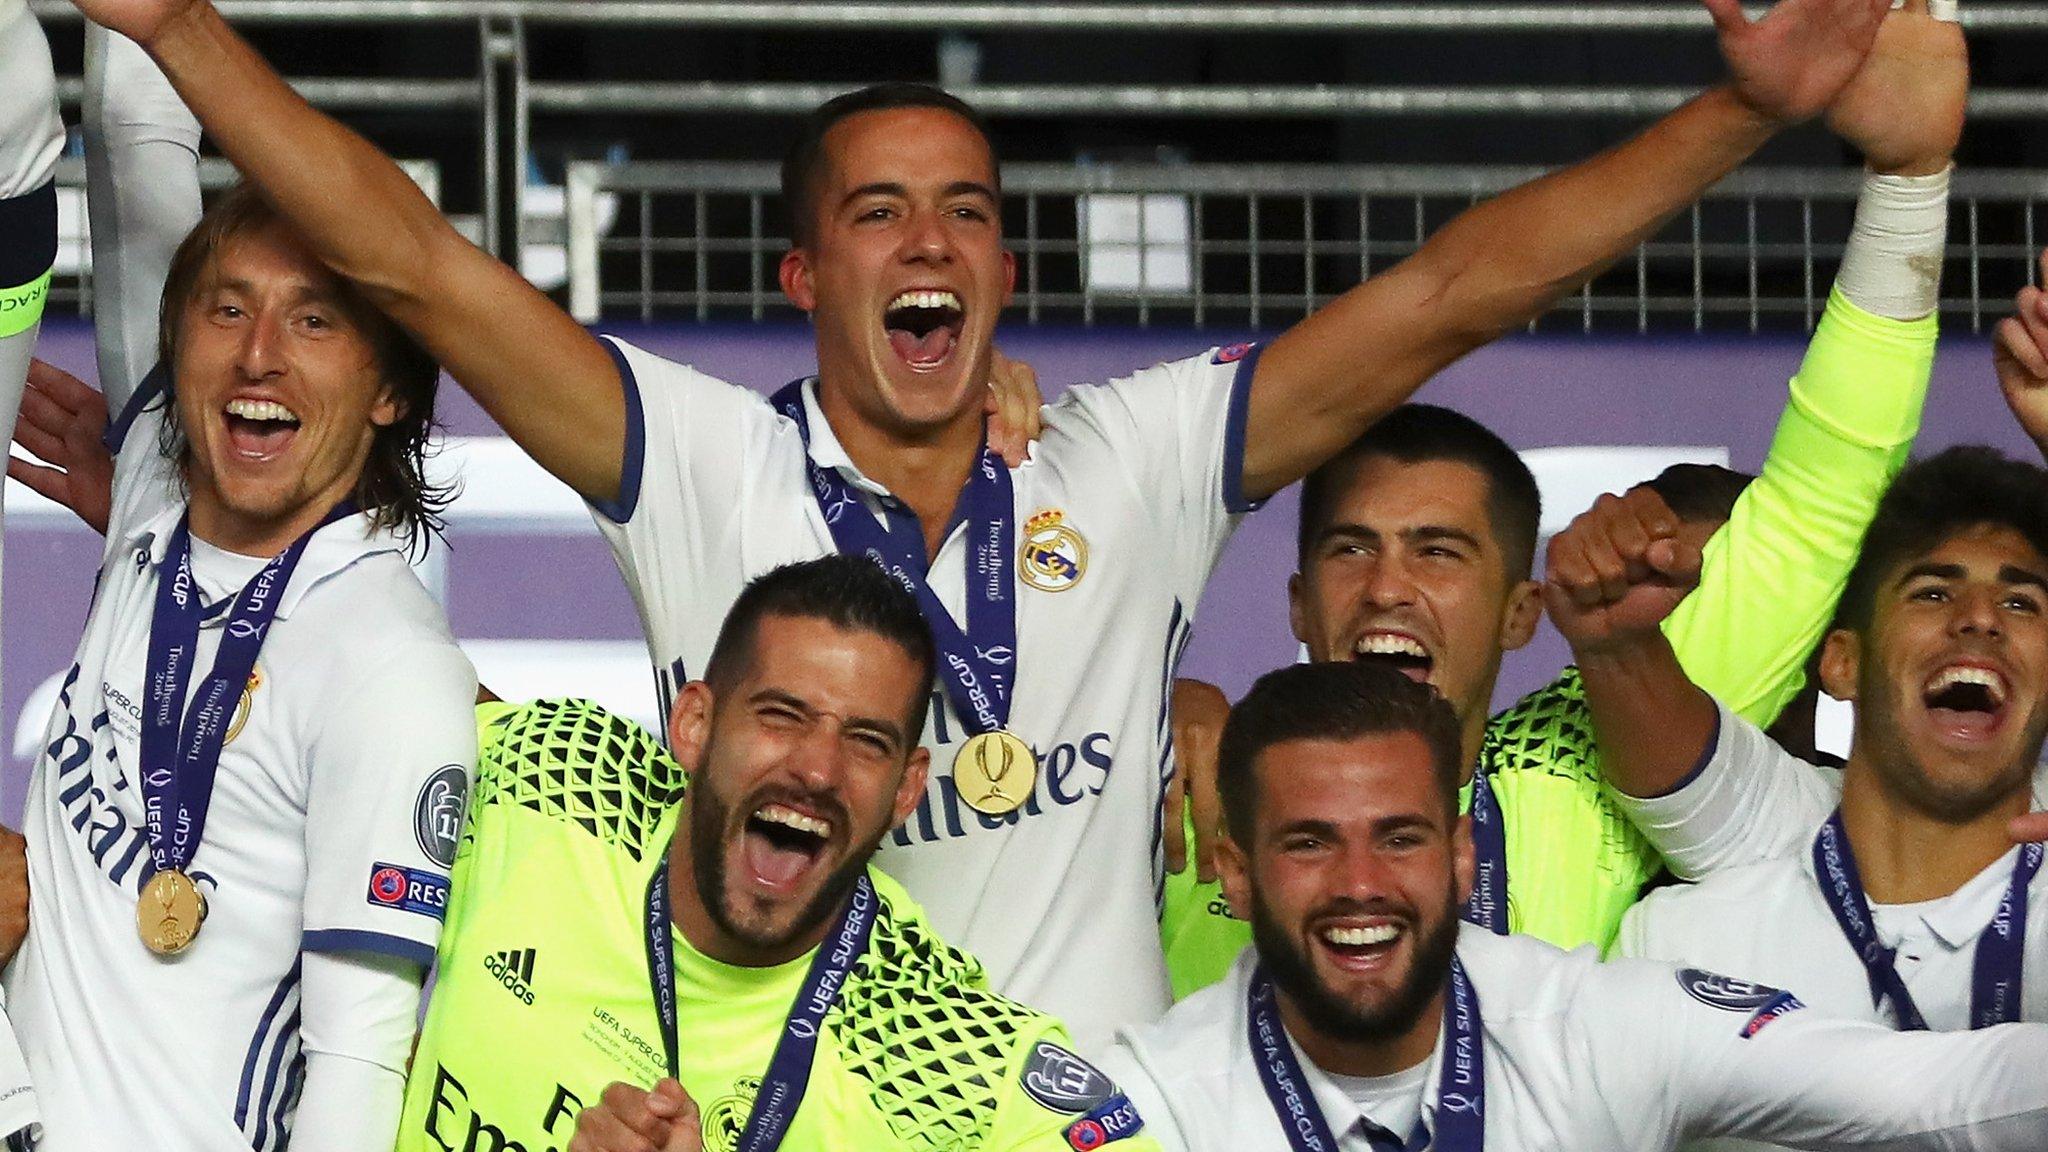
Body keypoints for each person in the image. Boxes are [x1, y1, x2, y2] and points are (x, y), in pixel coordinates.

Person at [66, 0, 1902, 1044]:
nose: (926, 242)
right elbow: (412, 262)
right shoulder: (698, 460)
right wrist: (169, 29)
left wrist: (1737, 115)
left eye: (962, 210)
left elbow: (1449, 293)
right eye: (875, 213)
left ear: (1008, 267)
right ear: (798, 270)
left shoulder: (1136, 455)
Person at [1158, 0, 1965, 995]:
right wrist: (1164, 714)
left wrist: (1907, 182)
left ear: (1518, 612)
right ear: (1293, 604)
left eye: (1437, 552)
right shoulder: (1189, 795)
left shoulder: (1582, 755)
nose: (1387, 588)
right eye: (1350, 549)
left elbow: (1819, 501)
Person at [1, 173, 479, 1150]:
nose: (259, 355)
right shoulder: (148, 483)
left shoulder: (385, 667)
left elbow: (358, 1059)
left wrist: (179, 27)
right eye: (229, 309)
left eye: (315, 321)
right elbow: (139, 128)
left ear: (390, 388)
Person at [1102, 660, 2048, 1152]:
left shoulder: (1594, 1028)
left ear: (1462, 855)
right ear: (1234, 872)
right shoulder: (1152, 1105)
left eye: (1401, 837)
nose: (1361, 884)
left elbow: (1944, 1097)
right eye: (1309, 842)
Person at [403, 557, 1159, 1152]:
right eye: (780, 715)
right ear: (695, 723)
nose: (818, 770)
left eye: (867, 742)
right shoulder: (555, 779)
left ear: (906, 788)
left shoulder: (947, 1061)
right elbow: (355, 670)